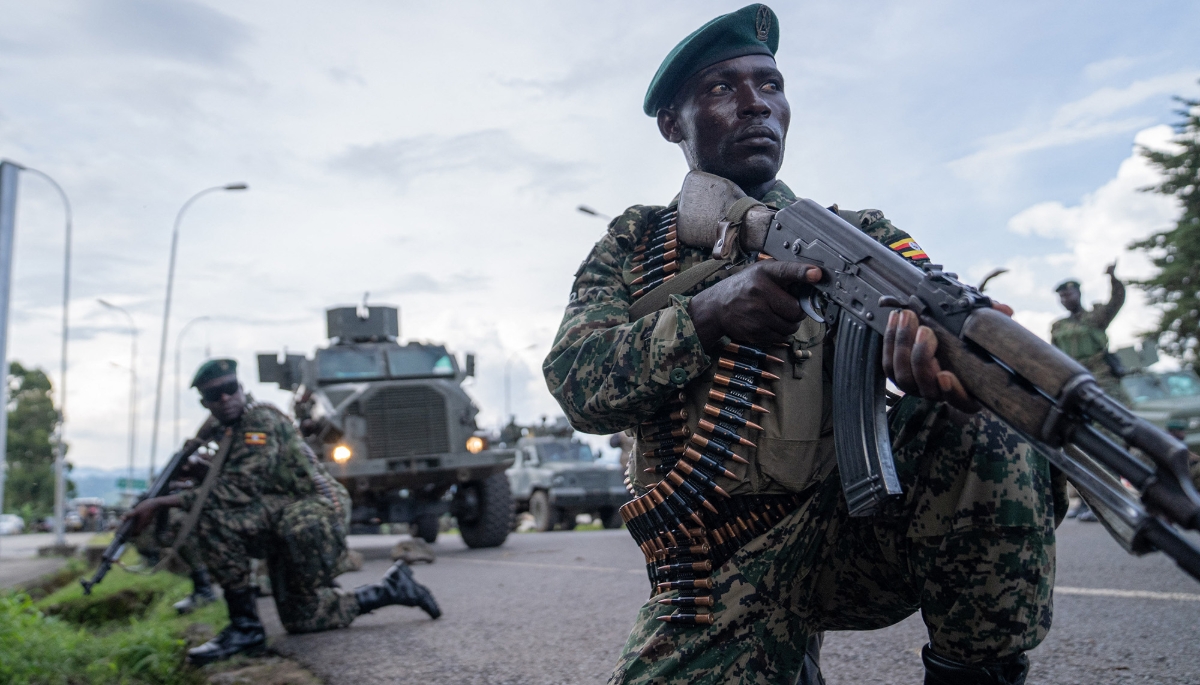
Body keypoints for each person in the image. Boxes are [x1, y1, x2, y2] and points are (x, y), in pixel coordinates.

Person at [543, 6, 1065, 684]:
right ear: (673, 123)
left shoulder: (862, 237)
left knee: (985, 416)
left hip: (848, 537)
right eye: (722, 88)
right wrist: (707, 314)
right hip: (709, 567)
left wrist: (940, 357)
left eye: (770, 84)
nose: (756, 103)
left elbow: (936, 318)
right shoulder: (637, 243)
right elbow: (576, 381)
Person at [126, 359, 441, 666]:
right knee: (304, 620)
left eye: (229, 388)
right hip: (282, 512)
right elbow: (248, 481)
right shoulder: (227, 431)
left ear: (240, 387)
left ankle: (245, 628)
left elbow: (238, 490)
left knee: (215, 516)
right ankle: (391, 589)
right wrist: (198, 471)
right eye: (213, 395)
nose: (224, 398)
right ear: (204, 402)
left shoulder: (258, 422)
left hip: (315, 510)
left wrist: (158, 504)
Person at [1051, 264, 1126, 400]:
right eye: (1061, 297)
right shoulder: (1058, 326)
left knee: (1115, 411)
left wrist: (1113, 279)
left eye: (1068, 295)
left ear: (1078, 294)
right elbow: (1054, 353)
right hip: (1073, 376)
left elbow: (1116, 301)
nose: (1065, 300)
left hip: (1100, 375)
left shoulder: (1095, 317)